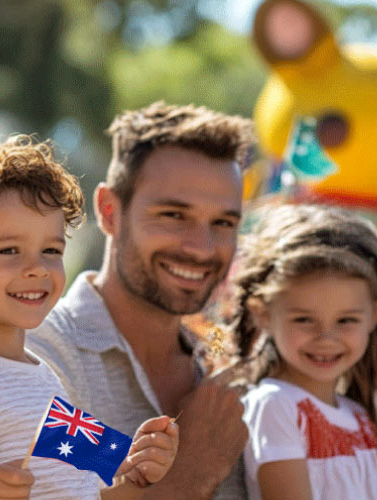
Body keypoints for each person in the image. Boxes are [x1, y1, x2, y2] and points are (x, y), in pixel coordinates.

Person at [0, 135, 179, 500]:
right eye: (9, 250)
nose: (37, 268)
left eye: (51, 250)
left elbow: (96, 491)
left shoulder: (44, 376)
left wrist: (140, 472)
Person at [26, 101, 253, 499]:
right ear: (110, 211)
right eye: (173, 215)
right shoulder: (41, 359)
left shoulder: (226, 369)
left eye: (223, 223)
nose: (201, 249)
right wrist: (194, 467)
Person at [228, 204, 377, 500]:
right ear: (263, 313)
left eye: (345, 320)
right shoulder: (275, 405)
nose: (326, 338)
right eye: (304, 319)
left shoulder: (358, 416)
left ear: (376, 313)